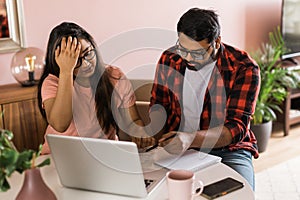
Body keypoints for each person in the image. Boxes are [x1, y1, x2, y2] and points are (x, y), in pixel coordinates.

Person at [149, 8, 260, 190]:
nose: (189, 59)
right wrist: (152, 135)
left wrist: (191, 139)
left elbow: (236, 128)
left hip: (228, 150)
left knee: (240, 191)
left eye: (198, 53)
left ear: (217, 42)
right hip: (176, 146)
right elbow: (158, 105)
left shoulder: (243, 67)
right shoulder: (170, 59)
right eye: (183, 50)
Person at [37, 22, 154, 155]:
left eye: (88, 53)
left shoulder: (114, 77)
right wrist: (66, 71)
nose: (86, 64)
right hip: (61, 157)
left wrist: (140, 133)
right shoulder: (53, 83)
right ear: (60, 61)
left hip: (103, 155)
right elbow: (60, 125)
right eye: (76, 60)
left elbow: (133, 122)